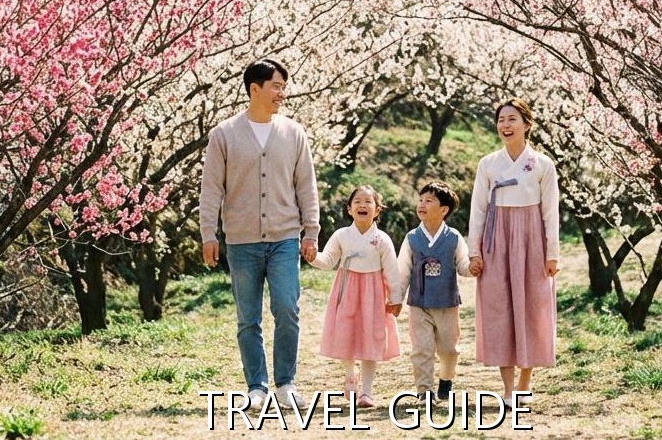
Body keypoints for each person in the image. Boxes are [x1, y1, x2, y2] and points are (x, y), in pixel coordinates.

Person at [198, 58, 319, 412]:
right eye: (276, 86)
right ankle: (257, 386)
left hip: (285, 237)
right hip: (241, 240)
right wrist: (209, 233)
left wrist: (310, 231)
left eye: (283, 85)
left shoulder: (294, 133)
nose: (282, 93)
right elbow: (211, 189)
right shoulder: (223, 135)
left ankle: (285, 382)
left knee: (287, 308)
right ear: (255, 88)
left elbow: (306, 187)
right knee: (247, 317)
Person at [467, 97, 559, 407]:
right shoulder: (488, 163)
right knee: (499, 308)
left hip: (532, 239)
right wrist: (474, 250)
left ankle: (524, 382)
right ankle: (507, 389)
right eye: (501, 120)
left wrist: (552, 253)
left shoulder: (543, 165)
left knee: (532, 307)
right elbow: (478, 209)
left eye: (512, 119)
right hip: (496, 239)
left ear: (527, 124)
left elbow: (550, 212)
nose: (505, 125)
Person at [310, 185, 403, 408]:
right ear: (350, 209)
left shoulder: (382, 240)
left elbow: (391, 270)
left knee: (370, 338)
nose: (363, 205)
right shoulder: (341, 235)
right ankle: (350, 375)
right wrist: (313, 257)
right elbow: (328, 261)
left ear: (377, 210)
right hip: (346, 290)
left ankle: (367, 391)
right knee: (345, 334)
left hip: (373, 292)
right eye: (357, 202)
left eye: (368, 202)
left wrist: (396, 298)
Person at [397, 180, 472, 403]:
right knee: (421, 349)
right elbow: (403, 272)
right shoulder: (412, 238)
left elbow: (463, 266)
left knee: (449, 349)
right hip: (419, 303)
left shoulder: (454, 238)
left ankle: (446, 378)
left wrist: (473, 267)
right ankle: (424, 391)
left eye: (429, 201)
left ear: (443, 210)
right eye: (420, 200)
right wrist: (395, 299)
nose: (422, 204)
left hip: (447, 303)